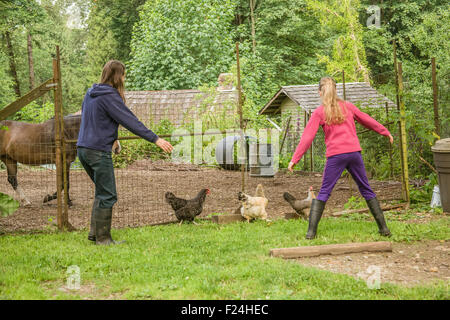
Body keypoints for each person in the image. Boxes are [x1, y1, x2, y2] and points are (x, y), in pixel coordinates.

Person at [77, 60, 173, 245]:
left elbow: (90, 117)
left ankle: (94, 234)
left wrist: (112, 136)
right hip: (98, 151)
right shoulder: (110, 96)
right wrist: (156, 139)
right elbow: (130, 121)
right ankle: (104, 239)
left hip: (83, 149)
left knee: (101, 191)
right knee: (108, 194)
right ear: (117, 76)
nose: (124, 78)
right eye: (123, 75)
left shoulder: (91, 93)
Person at [288, 77, 393, 240]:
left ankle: (311, 233)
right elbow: (367, 120)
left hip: (336, 156)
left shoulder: (319, 112)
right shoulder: (348, 106)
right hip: (354, 153)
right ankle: (384, 229)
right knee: (366, 189)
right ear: (336, 91)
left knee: (323, 193)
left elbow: (308, 137)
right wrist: (384, 131)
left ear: (319, 92)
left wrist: (295, 159)